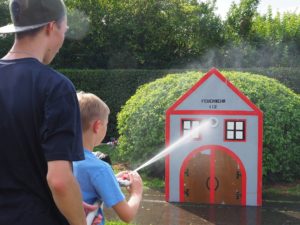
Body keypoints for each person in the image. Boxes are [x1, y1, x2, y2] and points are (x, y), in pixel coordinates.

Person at [0, 0, 100, 224]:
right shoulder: (56, 88)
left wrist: (71, 204)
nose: (62, 41)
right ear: (51, 27)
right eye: (64, 31)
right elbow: (60, 181)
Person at [74, 91, 143, 225]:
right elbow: (127, 215)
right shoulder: (100, 169)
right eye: (106, 124)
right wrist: (137, 192)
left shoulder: (60, 161)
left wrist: (113, 179)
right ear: (97, 126)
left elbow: (87, 186)